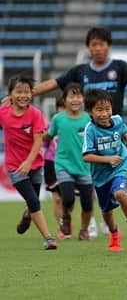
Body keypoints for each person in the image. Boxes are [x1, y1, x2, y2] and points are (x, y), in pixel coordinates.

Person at [30, 26, 127, 115]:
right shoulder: (80, 71)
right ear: (88, 47)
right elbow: (54, 83)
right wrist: (29, 93)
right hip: (89, 130)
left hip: (113, 128)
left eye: (101, 44)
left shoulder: (120, 67)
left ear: (109, 45)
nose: (97, 49)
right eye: (93, 45)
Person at [82, 89, 127, 252]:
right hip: (101, 174)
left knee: (119, 193)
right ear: (90, 112)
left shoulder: (117, 120)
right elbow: (87, 156)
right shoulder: (90, 130)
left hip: (120, 163)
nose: (105, 114)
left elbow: (122, 132)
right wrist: (107, 159)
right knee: (106, 210)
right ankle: (114, 234)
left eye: (107, 109)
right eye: (99, 110)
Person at [0, 75, 57, 249]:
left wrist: (28, 162)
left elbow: (38, 141)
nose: (23, 95)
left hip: (35, 165)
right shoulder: (3, 113)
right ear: (10, 94)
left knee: (33, 203)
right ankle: (48, 238)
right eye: (18, 92)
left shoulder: (35, 114)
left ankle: (27, 216)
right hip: (14, 167)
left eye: (26, 92)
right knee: (33, 201)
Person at [43, 83, 94, 241]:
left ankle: (84, 230)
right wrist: (38, 137)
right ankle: (66, 217)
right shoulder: (58, 119)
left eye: (78, 96)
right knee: (68, 197)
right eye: (71, 96)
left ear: (83, 99)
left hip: (84, 167)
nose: (75, 99)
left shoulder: (88, 118)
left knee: (87, 203)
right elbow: (48, 136)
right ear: (64, 100)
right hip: (63, 165)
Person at [42, 97, 65, 228]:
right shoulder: (50, 126)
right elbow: (45, 144)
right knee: (56, 198)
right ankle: (61, 225)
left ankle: (66, 219)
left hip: (68, 164)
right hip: (51, 163)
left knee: (68, 199)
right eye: (61, 108)